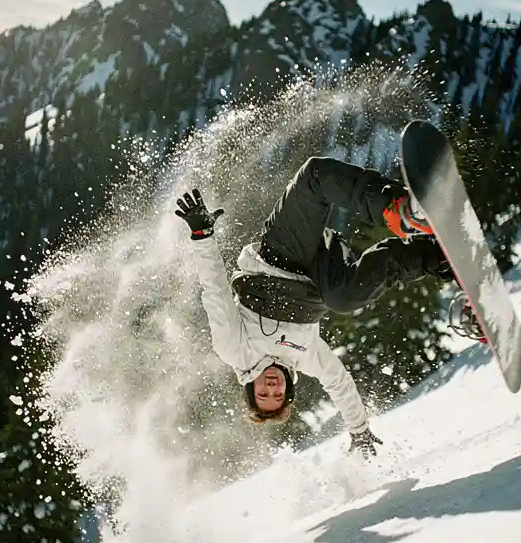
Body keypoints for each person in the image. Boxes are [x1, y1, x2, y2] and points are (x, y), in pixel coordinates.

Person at [175, 153, 483, 457]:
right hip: (319, 276)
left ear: (251, 386)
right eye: (278, 395)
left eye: (263, 393)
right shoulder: (304, 357)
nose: (272, 387)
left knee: (315, 177)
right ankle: (440, 257)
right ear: (288, 391)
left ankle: (397, 207)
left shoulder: (234, 350)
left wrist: (202, 236)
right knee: (343, 298)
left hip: (281, 255)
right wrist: (359, 430)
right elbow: (338, 383)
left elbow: (214, 291)